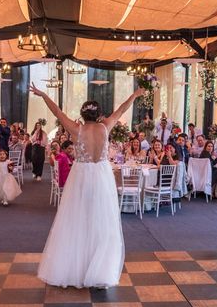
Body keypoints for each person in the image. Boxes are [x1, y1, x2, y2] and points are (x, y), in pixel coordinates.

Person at [30, 81, 145, 288]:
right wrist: (135, 95)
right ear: (99, 114)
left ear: (83, 115)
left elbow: (56, 111)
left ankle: (76, 267)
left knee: (77, 219)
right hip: (101, 176)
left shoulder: (76, 129)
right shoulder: (106, 126)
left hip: (81, 176)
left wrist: (42, 94)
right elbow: (121, 109)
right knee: (102, 220)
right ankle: (99, 269)